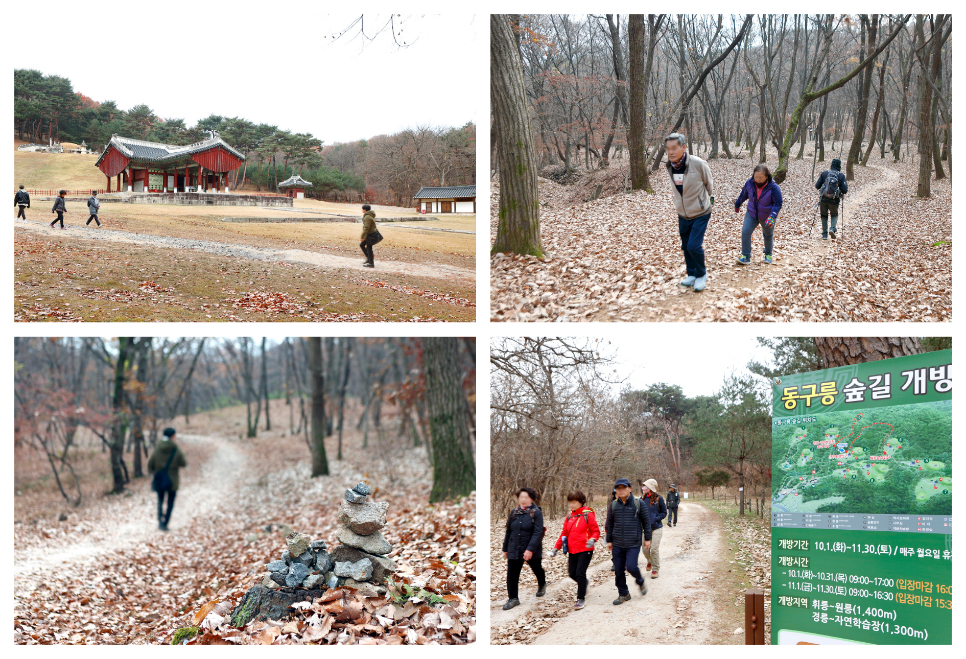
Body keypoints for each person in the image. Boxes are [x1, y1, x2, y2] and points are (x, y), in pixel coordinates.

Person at [664, 133, 714, 292]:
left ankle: (701, 275)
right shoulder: (669, 165)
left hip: (701, 212)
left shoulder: (698, 164)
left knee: (694, 246)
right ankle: (691, 274)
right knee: (686, 246)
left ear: (684, 147)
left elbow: (709, 185)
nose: (670, 152)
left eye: (674, 148)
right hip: (682, 214)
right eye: (668, 149)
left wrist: (702, 202)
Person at [605, 478, 652, 605]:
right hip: (617, 543)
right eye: (618, 488)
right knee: (619, 570)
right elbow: (609, 524)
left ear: (629, 489)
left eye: (624, 488)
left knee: (631, 567)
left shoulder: (639, 503)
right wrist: (609, 540)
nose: (621, 490)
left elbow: (646, 522)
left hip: (633, 542)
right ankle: (624, 594)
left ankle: (640, 580)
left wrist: (647, 539)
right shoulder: (614, 505)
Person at [550, 490, 600, 610]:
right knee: (572, 573)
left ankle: (580, 598)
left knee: (580, 573)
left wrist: (593, 539)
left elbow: (596, 531)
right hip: (572, 549)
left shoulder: (588, 514)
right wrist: (556, 548)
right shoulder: (569, 516)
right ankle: (584, 583)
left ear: (581, 502)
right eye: (570, 502)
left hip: (585, 548)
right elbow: (564, 534)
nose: (571, 505)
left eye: (574, 502)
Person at [502, 487, 546, 610]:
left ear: (531, 498)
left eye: (526, 497)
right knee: (512, 573)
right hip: (514, 547)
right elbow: (509, 531)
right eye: (521, 497)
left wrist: (530, 549)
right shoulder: (514, 512)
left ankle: (542, 583)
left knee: (536, 568)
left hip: (531, 548)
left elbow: (538, 532)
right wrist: (506, 548)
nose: (523, 500)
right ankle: (513, 598)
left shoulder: (536, 512)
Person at [734, 164, 783, 265]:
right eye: (756, 177)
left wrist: (773, 216)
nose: (758, 180)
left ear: (766, 176)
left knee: (768, 235)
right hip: (752, 213)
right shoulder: (750, 183)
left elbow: (778, 203)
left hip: (767, 216)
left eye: (761, 178)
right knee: (745, 232)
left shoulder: (773, 187)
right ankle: (746, 256)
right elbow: (744, 194)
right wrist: (738, 203)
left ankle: (768, 254)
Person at [147, 427, 187, 531]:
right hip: (172, 480)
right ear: (172, 436)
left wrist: (155, 470)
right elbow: (183, 463)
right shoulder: (175, 448)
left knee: (160, 501)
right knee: (170, 502)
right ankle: (166, 523)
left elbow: (150, 463)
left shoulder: (158, 447)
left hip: (160, 478)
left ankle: (160, 522)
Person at [814, 158, 848, 240]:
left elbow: (817, 186)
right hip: (834, 200)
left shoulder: (825, 173)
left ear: (831, 164)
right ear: (839, 166)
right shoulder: (841, 175)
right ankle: (832, 228)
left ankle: (824, 235)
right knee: (834, 215)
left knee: (824, 216)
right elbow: (845, 190)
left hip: (823, 199)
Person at [640, 479, 667, 579]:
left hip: (656, 528)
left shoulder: (658, 499)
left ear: (650, 488)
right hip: (645, 529)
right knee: (645, 549)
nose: (643, 488)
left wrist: (655, 518)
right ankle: (650, 561)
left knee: (654, 549)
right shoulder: (641, 499)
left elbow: (664, 513)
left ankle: (655, 569)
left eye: (645, 486)